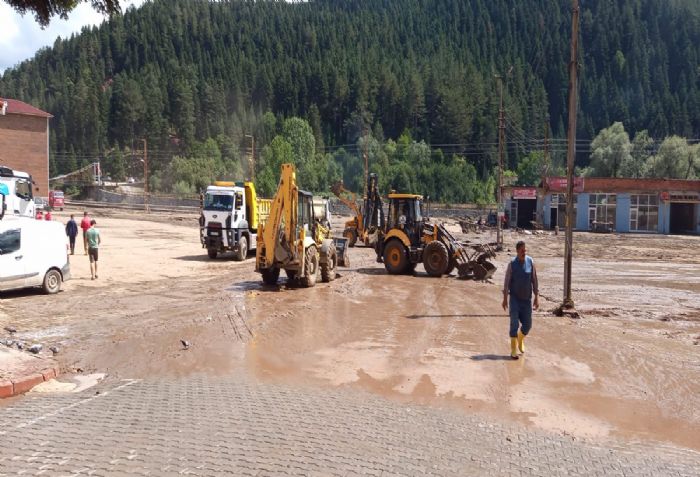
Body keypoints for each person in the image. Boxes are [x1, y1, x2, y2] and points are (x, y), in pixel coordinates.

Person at [502, 240, 539, 360]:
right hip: (514, 299)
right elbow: (507, 282)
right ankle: (513, 349)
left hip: (527, 300)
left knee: (528, 325)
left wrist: (536, 297)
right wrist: (504, 299)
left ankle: (520, 338)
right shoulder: (512, 264)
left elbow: (534, 280)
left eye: (525, 250)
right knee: (514, 323)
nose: (524, 252)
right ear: (517, 251)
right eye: (522, 250)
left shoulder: (530, 262)